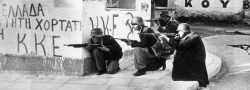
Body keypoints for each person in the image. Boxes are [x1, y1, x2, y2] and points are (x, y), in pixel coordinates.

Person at [169, 23, 209, 89]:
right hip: (192, 58)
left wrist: (170, 39)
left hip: (195, 60)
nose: (178, 33)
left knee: (195, 75)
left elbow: (180, 45)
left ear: (183, 31)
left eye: (179, 31)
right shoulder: (188, 35)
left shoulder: (193, 37)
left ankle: (201, 85)